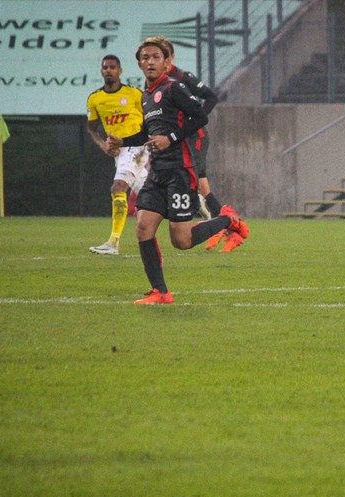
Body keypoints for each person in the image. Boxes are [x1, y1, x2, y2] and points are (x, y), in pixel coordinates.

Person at [106, 37, 249, 305]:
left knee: (181, 241)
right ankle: (160, 292)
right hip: (157, 172)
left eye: (155, 57)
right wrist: (121, 142)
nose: (150, 61)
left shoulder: (174, 88)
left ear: (166, 62)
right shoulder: (146, 96)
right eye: (145, 58)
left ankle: (228, 220)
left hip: (180, 172)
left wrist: (171, 138)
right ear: (139, 64)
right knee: (143, 228)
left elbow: (200, 116)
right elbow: (147, 133)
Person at [145, 36, 244, 253]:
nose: (153, 60)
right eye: (149, 56)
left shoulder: (181, 78)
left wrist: (189, 124)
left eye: (160, 54)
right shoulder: (153, 82)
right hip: (179, 140)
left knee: (196, 185)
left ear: (169, 57)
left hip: (192, 137)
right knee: (203, 187)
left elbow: (211, 97)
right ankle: (231, 229)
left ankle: (227, 224)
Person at [86, 55, 148, 255]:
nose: (108, 70)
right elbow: (91, 128)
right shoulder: (95, 98)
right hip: (119, 154)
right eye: (105, 67)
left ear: (120, 71)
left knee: (118, 187)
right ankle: (195, 203)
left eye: (112, 67)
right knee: (150, 195)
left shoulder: (134, 94)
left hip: (136, 147)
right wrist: (103, 145)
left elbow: (150, 118)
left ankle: (113, 243)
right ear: (101, 71)